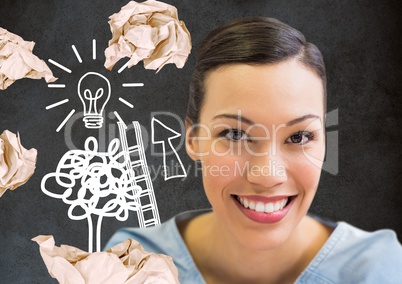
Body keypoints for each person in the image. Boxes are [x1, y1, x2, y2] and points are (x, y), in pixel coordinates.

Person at [105, 17, 402, 283]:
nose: (267, 176)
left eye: (298, 137)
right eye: (234, 134)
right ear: (193, 139)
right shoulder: (131, 261)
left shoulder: (377, 268)